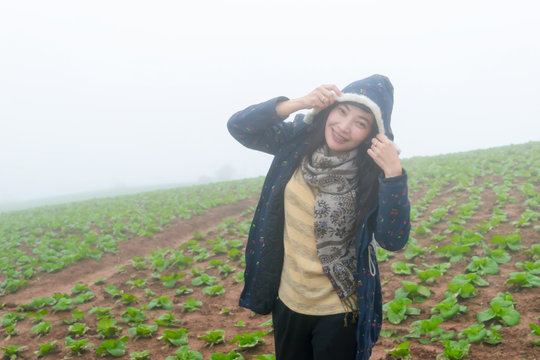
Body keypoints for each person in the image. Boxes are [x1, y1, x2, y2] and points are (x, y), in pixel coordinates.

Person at [227, 74, 410, 360]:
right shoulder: (297, 144)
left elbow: (393, 239)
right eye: (342, 111)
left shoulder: (373, 173)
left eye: (360, 123)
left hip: (340, 312)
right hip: (288, 301)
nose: (344, 127)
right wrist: (299, 102)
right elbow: (240, 127)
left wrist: (393, 175)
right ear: (329, 109)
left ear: (373, 134)